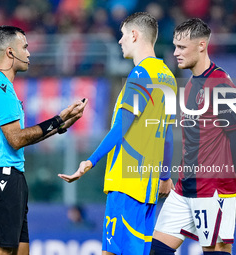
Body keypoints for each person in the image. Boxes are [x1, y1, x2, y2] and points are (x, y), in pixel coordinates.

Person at [59, 12, 177, 255]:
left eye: (123, 35)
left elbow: (121, 127)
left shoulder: (141, 75)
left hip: (126, 185)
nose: (120, 41)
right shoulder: (168, 77)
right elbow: (167, 134)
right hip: (149, 187)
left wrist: (89, 161)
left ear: (134, 35)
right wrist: (164, 176)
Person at [0, 25, 88, 255]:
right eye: (24, 47)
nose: (29, 53)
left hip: (9, 176)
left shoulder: (2, 86)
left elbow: (20, 139)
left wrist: (62, 124)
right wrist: (57, 120)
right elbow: (16, 139)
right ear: (9, 52)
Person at [150, 18, 236, 255]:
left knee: (216, 250)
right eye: (175, 46)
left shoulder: (220, 84)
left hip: (213, 188)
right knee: (156, 250)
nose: (175, 53)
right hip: (184, 186)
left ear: (201, 45)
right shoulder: (190, 84)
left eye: (182, 47)